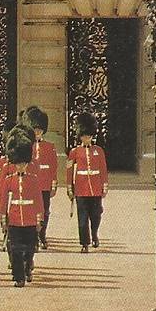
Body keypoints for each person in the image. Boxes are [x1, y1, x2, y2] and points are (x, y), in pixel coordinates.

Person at [0, 132, 45, 287]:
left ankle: (27, 269)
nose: (20, 166)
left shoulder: (33, 180)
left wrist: (39, 219)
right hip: (15, 219)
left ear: (26, 163)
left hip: (30, 218)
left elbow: (38, 200)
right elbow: (4, 201)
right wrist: (3, 218)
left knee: (30, 248)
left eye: (23, 163)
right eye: (18, 164)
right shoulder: (8, 180)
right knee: (16, 249)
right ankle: (19, 277)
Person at [65, 112, 109, 253]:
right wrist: (69, 187)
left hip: (95, 188)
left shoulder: (99, 151)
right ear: (80, 136)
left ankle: (94, 233)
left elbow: (103, 169)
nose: (86, 139)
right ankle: (84, 243)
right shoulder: (74, 152)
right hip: (81, 189)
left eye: (88, 136)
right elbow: (69, 170)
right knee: (82, 218)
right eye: (84, 136)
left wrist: (104, 185)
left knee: (96, 215)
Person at [21, 106, 59, 250]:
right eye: (35, 130)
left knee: (45, 211)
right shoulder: (26, 145)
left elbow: (53, 166)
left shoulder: (50, 146)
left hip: (44, 183)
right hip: (31, 183)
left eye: (39, 130)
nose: (37, 132)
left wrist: (53, 184)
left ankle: (42, 234)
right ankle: (34, 237)